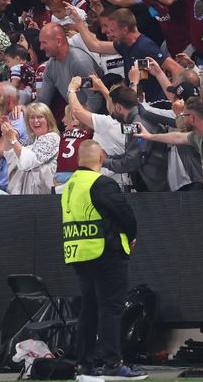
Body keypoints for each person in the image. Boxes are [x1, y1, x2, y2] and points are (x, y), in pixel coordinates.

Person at [61, 140, 147, 380]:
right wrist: (131, 236)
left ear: (79, 159)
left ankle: (85, 365)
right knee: (111, 307)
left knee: (89, 309)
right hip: (105, 252)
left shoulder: (70, 185)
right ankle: (112, 363)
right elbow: (125, 214)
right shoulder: (101, 183)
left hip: (79, 253)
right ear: (100, 158)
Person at [2, 102, 61, 194]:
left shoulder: (52, 138)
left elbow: (27, 162)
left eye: (40, 117)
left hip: (42, 194)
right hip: (26, 192)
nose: (35, 121)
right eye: (32, 117)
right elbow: (10, 155)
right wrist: (6, 134)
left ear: (48, 119)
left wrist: (13, 138)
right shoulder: (31, 138)